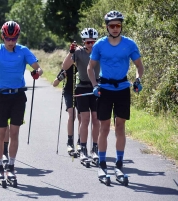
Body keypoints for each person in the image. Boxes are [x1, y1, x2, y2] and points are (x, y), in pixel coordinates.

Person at [0, 20, 43, 180]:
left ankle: (11, 167)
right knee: (1, 132)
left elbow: (38, 67)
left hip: (18, 95)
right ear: (3, 36)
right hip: (1, 96)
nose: (11, 42)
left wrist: (37, 72)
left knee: (14, 132)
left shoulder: (23, 50)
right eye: (8, 38)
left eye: (14, 39)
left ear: (17, 37)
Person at [87, 11, 144, 177]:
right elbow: (90, 68)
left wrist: (138, 80)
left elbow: (139, 66)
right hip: (104, 88)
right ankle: (102, 163)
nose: (114, 28)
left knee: (120, 127)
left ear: (121, 26)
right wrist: (94, 85)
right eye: (111, 25)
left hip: (122, 89)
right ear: (107, 26)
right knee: (104, 127)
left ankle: (119, 163)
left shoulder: (129, 44)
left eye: (118, 25)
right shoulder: (99, 45)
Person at [62, 28, 101, 164]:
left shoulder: (100, 51)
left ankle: (95, 149)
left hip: (96, 87)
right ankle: (83, 148)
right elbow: (65, 66)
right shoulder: (78, 52)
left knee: (96, 119)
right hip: (82, 88)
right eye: (88, 42)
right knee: (85, 119)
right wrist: (71, 52)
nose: (90, 45)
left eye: (93, 42)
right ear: (84, 42)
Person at [52, 66, 81, 156]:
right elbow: (55, 83)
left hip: (81, 92)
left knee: (82, 117)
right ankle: (70, 142)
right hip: (69, 92)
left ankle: (80, 142)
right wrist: (61, 77)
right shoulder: (68, 65)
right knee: (72, 115)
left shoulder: (84, 61)